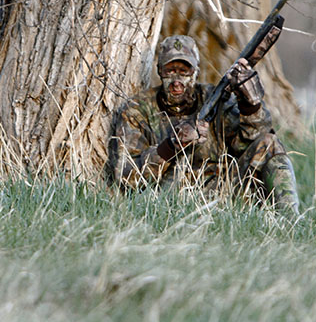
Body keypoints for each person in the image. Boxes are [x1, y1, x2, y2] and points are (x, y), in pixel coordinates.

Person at [109, 35, 299, 213]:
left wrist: (250, 105)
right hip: (169, 201)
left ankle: (291, 221)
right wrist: (172, 146)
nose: (177, 81)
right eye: (170, 72)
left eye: (184, 72)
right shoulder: (137, 110)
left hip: (224, 192)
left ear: (196, 72)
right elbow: (126, 177)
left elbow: (246, 143)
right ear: (159, 72)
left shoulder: (215, 100)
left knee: (269, 142)